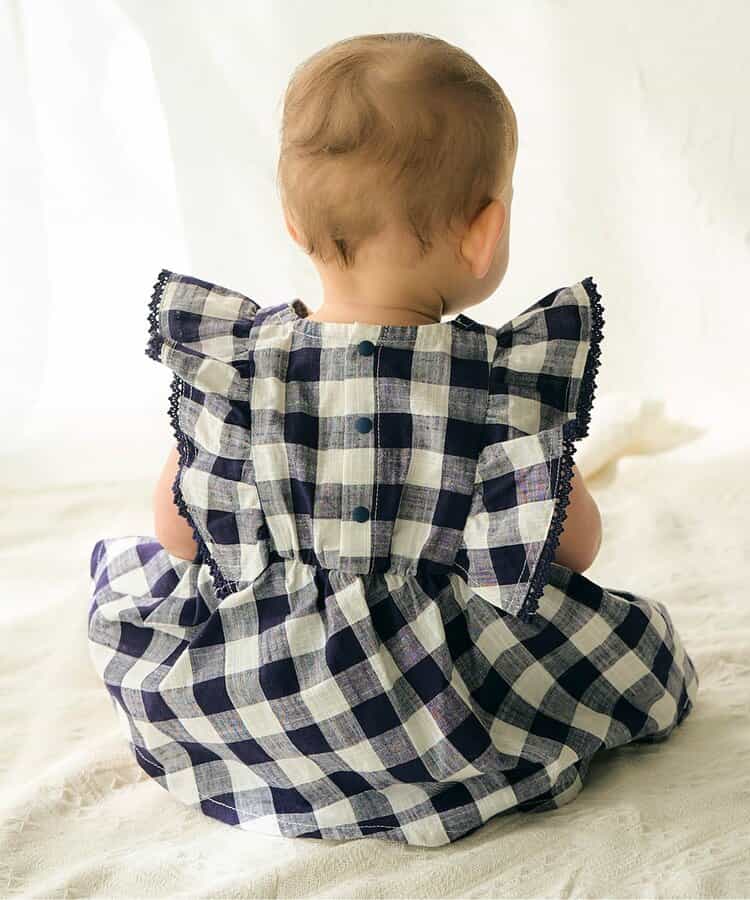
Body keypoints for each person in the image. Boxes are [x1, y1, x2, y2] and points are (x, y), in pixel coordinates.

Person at [87, 32, 699, 847]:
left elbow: (179, 529)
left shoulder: (243, 368)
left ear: (293, 223)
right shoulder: (496, 387)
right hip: (438, 712)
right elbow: (575, 547)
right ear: (485, 232)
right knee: (646, 657)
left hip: (264, 694)